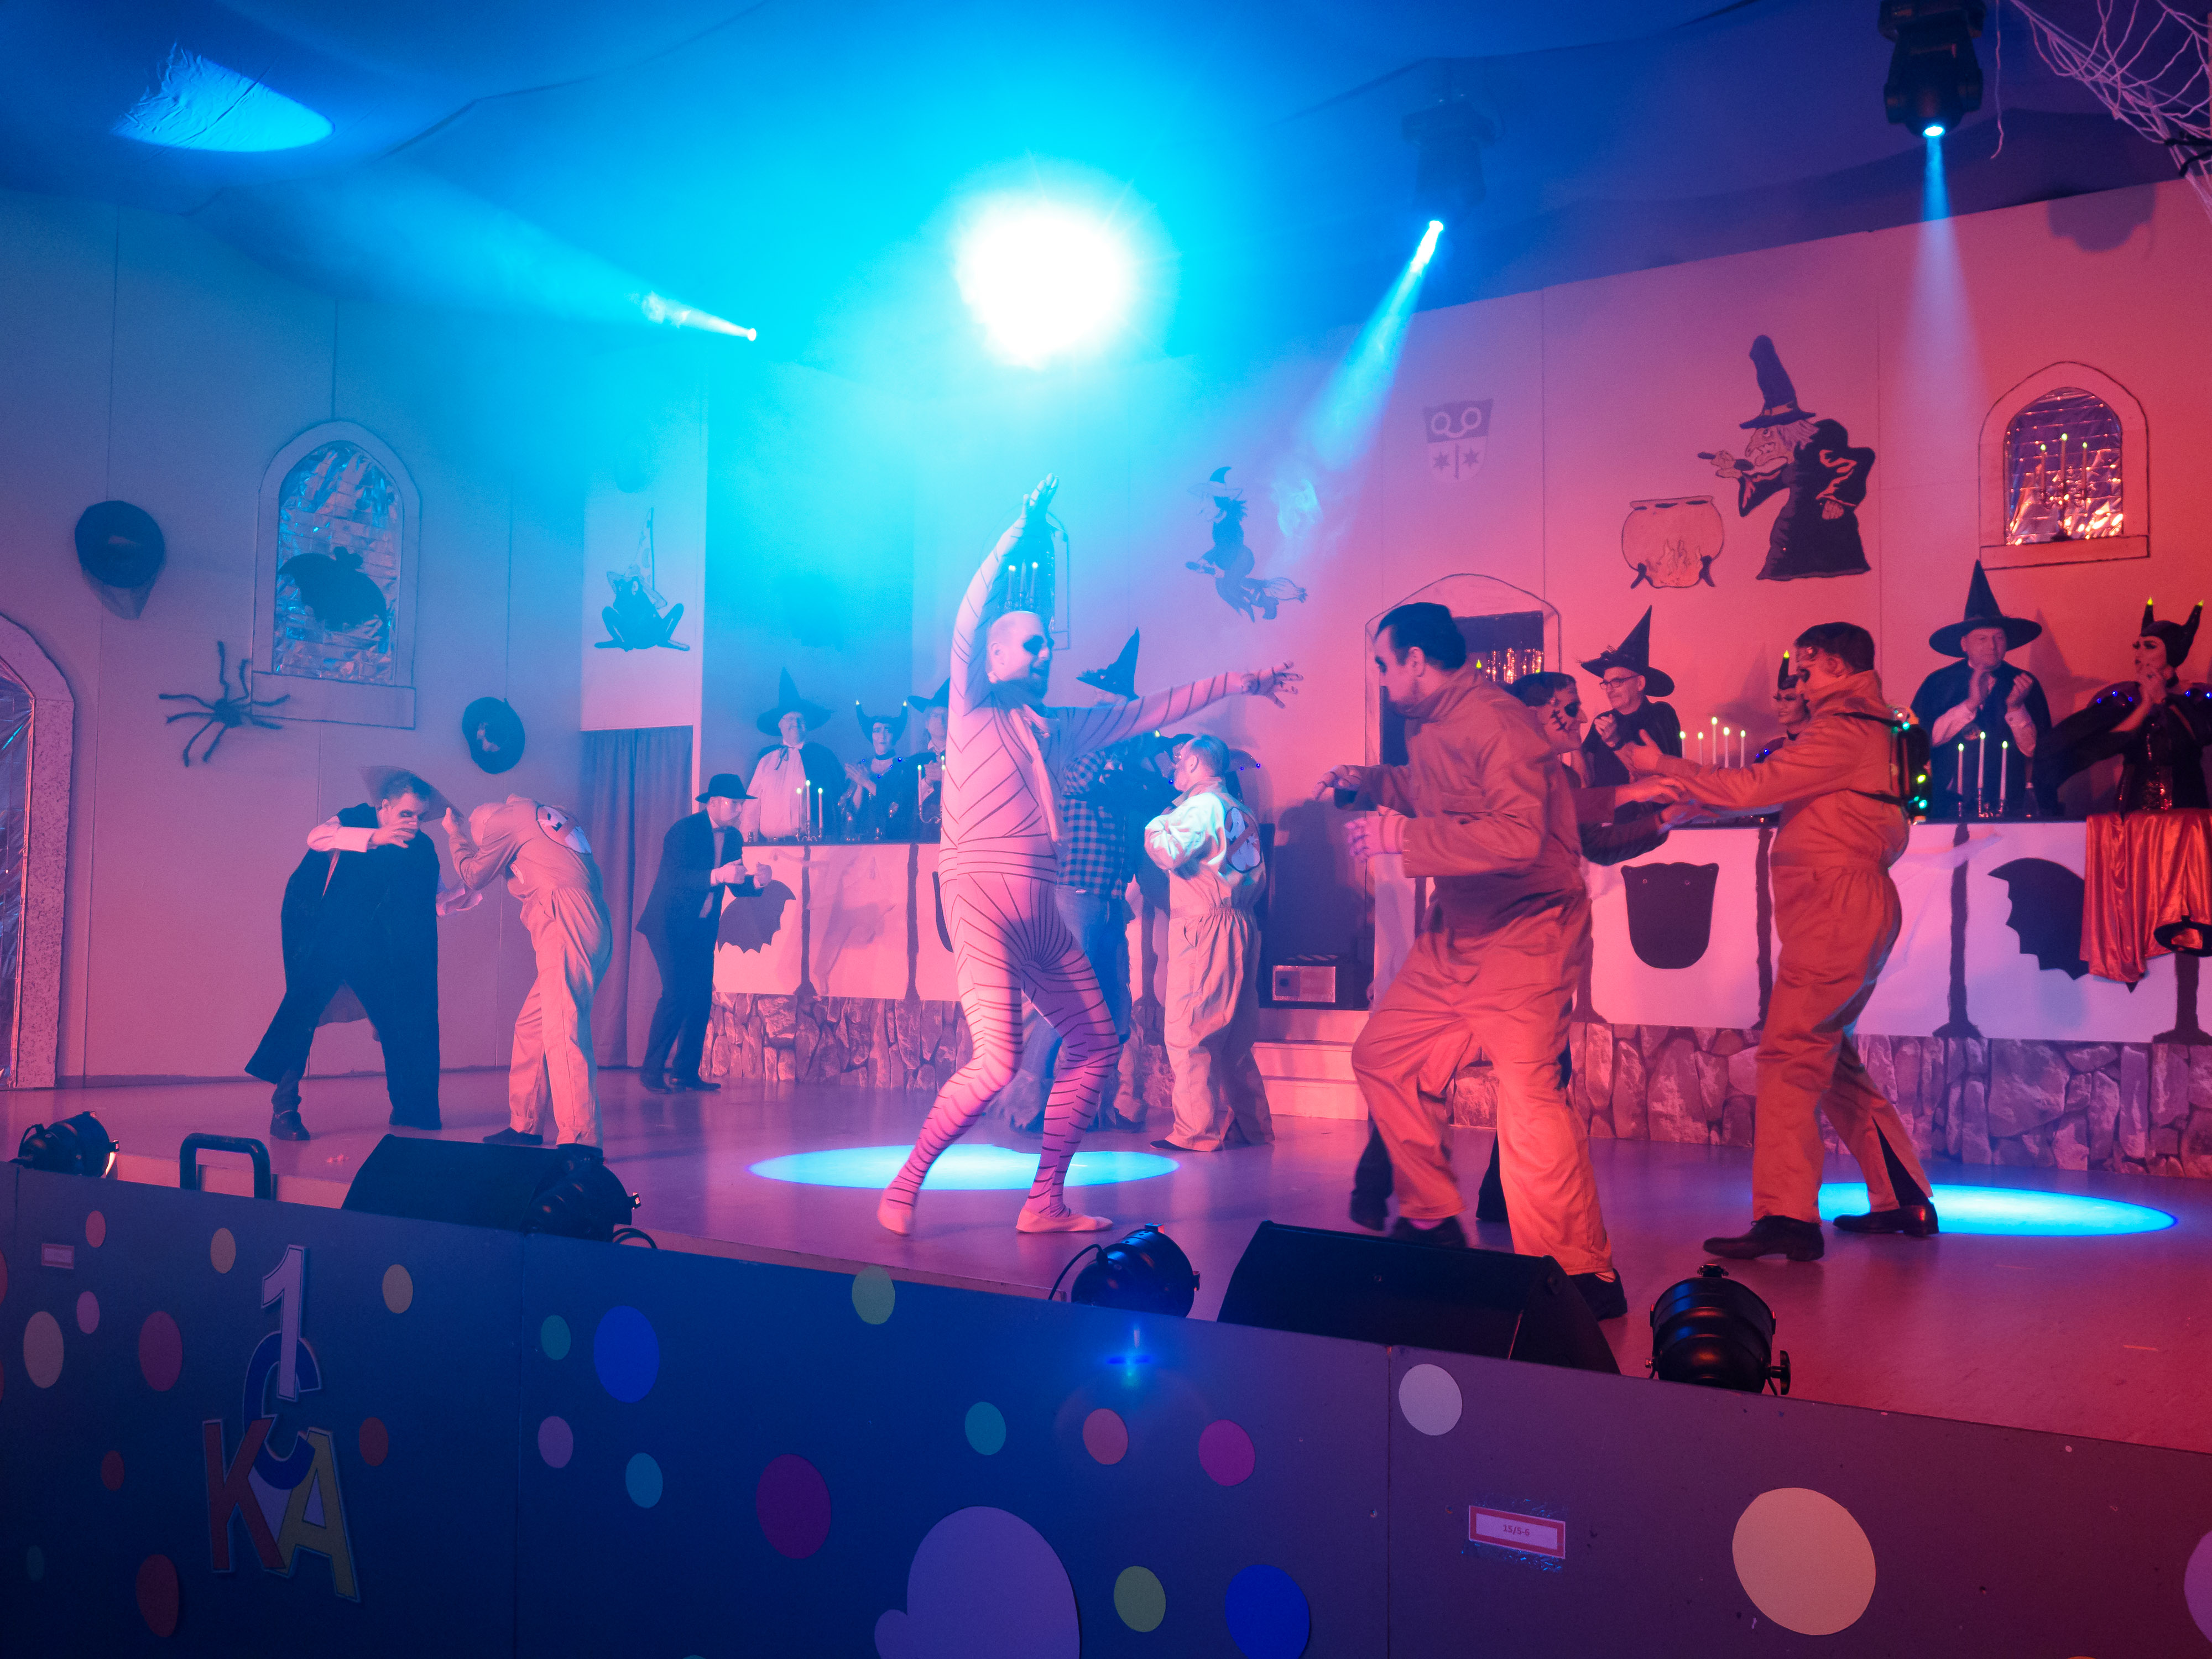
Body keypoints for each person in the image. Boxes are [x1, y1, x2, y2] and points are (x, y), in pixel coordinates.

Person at [877, 477, 1298, 1237]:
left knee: (1098, 1042)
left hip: (1041, 906)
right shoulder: (970, 712)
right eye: (1030, 644)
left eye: (1047, 644)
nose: (1044, 653)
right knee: (997, 1062)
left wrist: (1240, 680)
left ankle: (1044, 1200)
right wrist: (1016, 533)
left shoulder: (1058, 729)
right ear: (994, 657)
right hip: (980, 897)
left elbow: (1149, 710)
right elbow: (970, 617)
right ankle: (905, 1185)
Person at [1321, 603, 1625, 1321]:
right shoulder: (1430, 723)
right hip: (1456, 930)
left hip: (1527, 930)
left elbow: (1518, 838)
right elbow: (1435, 790)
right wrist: (1369, 783)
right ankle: (1432, 1219)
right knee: (1384, 1057)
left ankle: (1582, 1276)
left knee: (1529, 1096)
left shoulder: (1499, 723)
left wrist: (1403, 838)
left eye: (1384, 664)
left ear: (1416, 661)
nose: (1382, 678)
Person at [1624, 623, 1939, 1257]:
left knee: (1791, 1055)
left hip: (1835, 907)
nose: (1798, 682)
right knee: (1829, 1056)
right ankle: (1903, 1197)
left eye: (1806, 669)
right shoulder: (1876, 729)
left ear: (1835, 665)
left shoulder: (1845, 730)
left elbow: (1752, 789)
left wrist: (1661, 766)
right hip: (1848, 904)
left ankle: (1787, 1217)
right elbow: (1778, 793)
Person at [245, 768, 476, 1141]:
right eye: (406, 814)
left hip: (379, 945)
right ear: (384, 807)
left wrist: (464, 890)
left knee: (403, 1015)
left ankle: (410, 1108)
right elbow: (317, 838)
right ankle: (284, 1110)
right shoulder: (354, 819)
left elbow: (431, 903)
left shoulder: (421, 849)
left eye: (420, 817)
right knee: (302, 1012)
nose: (414, 824)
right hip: (326, 933)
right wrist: (375, 837)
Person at [989, 734, 1158, 1136]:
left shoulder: (1118, 782)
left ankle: (1089, 1105)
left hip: (1110, 902)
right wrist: (1112, 736)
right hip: (1075, 898)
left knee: (1115, 1005)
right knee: (1066, 1001)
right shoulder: (1074, 769)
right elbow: (1080, 777)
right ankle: (1025, 1105)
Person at [2039, 603, 2212, 982]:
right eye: (2137, 645)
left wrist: (2165, 701)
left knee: (2183, 899)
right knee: (2138, 896)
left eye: (2149, 646)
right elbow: (2099, 744)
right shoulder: (2122, 698)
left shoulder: (2198, 700)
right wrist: (2146, 704)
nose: (2138, 653)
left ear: (2172, 654)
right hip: (2134, 811)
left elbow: (2196, 738)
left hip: (2187, 815)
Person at [446, 795, 613, 1147]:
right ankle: (525, 1126)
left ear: (487, 825)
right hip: (590, 922)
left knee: (563, 1033)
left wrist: (456, 834)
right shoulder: (545, 815)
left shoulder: (506, 819)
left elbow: (474, 874)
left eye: (486, 842)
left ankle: (581, 1142)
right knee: (533, 1027)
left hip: (566, 924)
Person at [1144, 734, 1274, 1152]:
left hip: (1205, 926)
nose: (1174, 767)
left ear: (1196, 763)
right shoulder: (1240, 810)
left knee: (1191, 1032)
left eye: (1180, 759)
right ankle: (1254, 1127)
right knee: (1234, 1037)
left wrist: (1156, 822)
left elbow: (1168, 852)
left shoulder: (1200, 807)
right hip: (1242, 923)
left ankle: (1195, 1132)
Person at [635, 773, 765, 1094]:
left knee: (700, 998)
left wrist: (757, 882)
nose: (739, 809)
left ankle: (685, 1073)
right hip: (668, 923)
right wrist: (718, 875)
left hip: (703, 926)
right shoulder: (684, 830)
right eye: (733, 803)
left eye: (741, 803)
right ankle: (651, 1071)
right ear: (713, 802)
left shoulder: (733, 837)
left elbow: (735, 884)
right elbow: (676, 878)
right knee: (676, 994)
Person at [1911, 562, 2052, 819]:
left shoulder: (2024, 683)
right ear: (1964, 644)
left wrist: (2016, 709)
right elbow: (1922, 742)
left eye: (1999, 638)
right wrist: (1970, 705)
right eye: (1982, 639)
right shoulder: (1938, 683)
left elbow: (2037, 751)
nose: (1992, 646)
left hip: (2010, 806)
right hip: (1949, 807)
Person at [1578, 607, 1682, 800]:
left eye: (1617, 682)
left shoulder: (1661, 714)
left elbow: (1666, 778)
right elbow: (1584, 782)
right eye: (1606, 684)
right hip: (1610, 817)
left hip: (1655, 816)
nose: (1609, 689)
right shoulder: (1602, 721)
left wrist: (1616, 742)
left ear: (1640, 683)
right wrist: (1574, 738)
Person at [745, 671, 845, 841]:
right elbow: (752, 805)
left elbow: (836, 799)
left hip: (812, 842)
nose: (796, 723)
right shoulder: (766, 760)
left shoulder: (823, 758)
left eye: (801, 719)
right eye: (790, 719)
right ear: (780, 724)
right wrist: (749, 842)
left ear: (808, 725)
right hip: (771, 846)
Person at [843, 705, 919, 841]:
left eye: (888, 730)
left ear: (894, 735)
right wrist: (860, 783)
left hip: (894, 839)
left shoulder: (905, 767)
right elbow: (852, 811)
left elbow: (899, 805)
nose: (882, 736)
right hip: (863, 840)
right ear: (871, 735)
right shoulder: (862, 766)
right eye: (877, 731)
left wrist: (867, 782)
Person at [905, 681, 950, 841]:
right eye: (935, 716)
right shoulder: (915, 762)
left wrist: (946, 778)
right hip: (923, 833)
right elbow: (907, 800)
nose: (941, 721)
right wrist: (928, 780)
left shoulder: (964, 758)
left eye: (946, 716)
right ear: (927, 723)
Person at [1752, 651, 1812, 763]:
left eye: (1790, 699)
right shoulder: (1773, 748)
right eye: (1779, 699)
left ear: (1807, 701)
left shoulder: (1818, 745)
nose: (1781, 706)